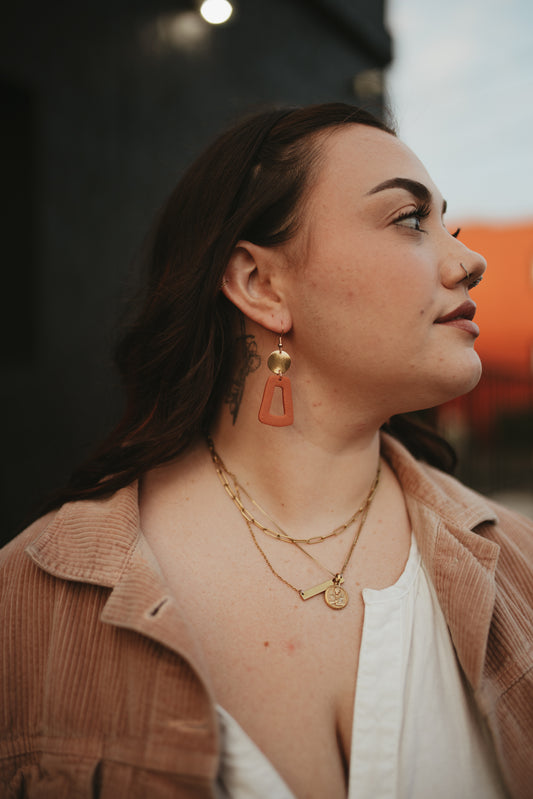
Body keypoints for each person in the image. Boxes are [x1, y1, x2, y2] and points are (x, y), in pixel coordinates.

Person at [1, 103, 532, 799]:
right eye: (409, 220)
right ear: (260, 284)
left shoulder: (517, 571)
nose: (469, 260)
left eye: (448, 225)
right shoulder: (28, 604)